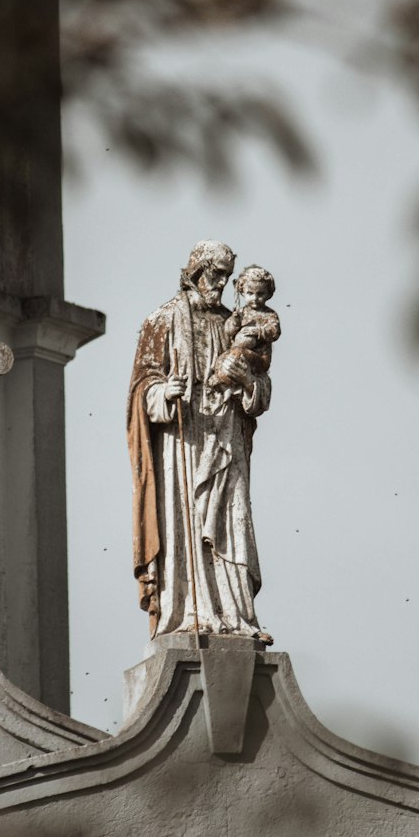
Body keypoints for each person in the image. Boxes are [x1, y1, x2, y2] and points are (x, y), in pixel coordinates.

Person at [127, 240, 273, 642]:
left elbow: (260, 389)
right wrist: (162, 393)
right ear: (194, 272)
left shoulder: (239, 323)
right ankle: (190, 611)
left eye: (228, 276)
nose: (222, 283)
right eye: (215, 274)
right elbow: (142, 387)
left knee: (232, 520)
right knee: (185, 522)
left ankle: (236, 614)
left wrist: (247, 382)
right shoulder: (163, 319)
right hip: (182, 441)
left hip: (227, 435)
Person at [207, 265, 281, 394]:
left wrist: (257, 331)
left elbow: (274, 332)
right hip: (236, 351)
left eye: (260, 294)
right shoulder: (242, 312)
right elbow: (229, 331)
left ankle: (223, 381)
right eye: (250, 293)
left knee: (237, 356)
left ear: (268, 293)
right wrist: (234, 320)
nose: (255, 298)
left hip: (258, 357)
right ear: (242, 292)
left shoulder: (269, 315)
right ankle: (223, 380)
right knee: (223, 359)